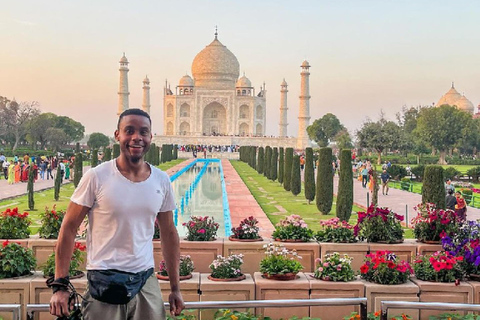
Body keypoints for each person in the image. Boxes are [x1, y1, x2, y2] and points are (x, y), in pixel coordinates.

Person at [49, 108, 184, 319]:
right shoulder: (97, 177)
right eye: (129, 130)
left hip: (145, 282)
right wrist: (60, 286)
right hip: (104, 283)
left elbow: (168, 233)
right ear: (117, 135)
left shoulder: (161, 180)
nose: (136, 137)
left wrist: (175, 288)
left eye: (143, 132)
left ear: (150, 137)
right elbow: (68, 228)